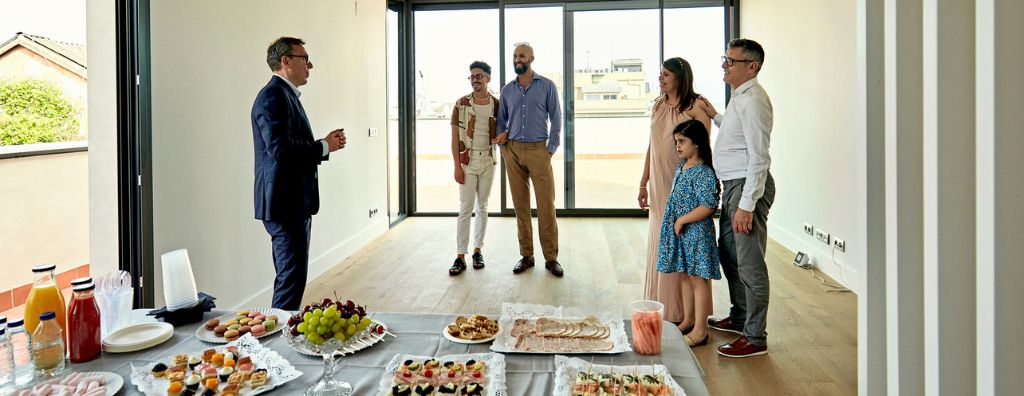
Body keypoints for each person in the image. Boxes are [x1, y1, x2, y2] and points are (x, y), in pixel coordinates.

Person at [251, 37, 346, 310]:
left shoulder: (284, 95)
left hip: (292, 202)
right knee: (290, 281)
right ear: (286, 61)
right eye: (305, 58)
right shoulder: (273, 96)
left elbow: (285, 146)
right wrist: (324, 145)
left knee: (292, 278)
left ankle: (278, 340)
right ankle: (274, 345)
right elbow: (279, 149)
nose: (310, 65)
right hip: (285, 204)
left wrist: (324, 146)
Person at [697, 38, 776, 358]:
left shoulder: (754, 100)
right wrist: (715, 115)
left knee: (750, 265)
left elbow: (759, 157)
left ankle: (755, 337)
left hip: (746, 189)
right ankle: (741, 317)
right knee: (729, 255)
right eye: (724, 59)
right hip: (733, 187)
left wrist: (746, 204)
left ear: (751, 66)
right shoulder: (740, 98)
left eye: (731, 61)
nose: (724, 65)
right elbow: (734, 135)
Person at [638, 58, 711, 332]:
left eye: (666, 75)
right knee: (662, 238)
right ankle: (664, 305)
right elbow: (652, 146)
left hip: (683, 182)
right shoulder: (658, 105)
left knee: (684, 243)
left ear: (680, 77)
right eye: (660, 74)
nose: (661, 79)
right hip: (658, 181)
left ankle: (688, 314)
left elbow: (704, 147)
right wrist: (643, 181)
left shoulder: (696, 106)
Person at [495, 43, 564, 277]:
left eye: (521, 55)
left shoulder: (547, 86)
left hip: (539, 151)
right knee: (521, 207)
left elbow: (556, 118)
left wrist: (550, 149)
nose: (517, 59)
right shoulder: (507, 90)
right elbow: (501, 121)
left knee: (546, 206)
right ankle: (526, 255)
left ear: (532, 58)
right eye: (514, 55)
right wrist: (504, 145)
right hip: (512, 151)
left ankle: (551, 258)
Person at [656, 120, 721, 347]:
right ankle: (688, 320)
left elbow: (708, 205)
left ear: (697, 143)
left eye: (682, 141)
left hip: (696, 233)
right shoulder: (682, 167)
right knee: (684, 274)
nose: (678, 146)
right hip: (683, 233)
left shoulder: (703, 172)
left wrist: (682, 219)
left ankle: (701, 330)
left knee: (697, 279)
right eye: (676, 142)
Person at [448, 61, 499, 276]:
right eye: (472, 76)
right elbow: (453, 138)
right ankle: (460, 256)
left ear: (488, 78)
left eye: (479, 76)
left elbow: (504, 128)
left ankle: (478, 250)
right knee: (465, 208)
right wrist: (457, 166)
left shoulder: (497, 104)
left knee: (483, 206)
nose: (475, 80)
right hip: (467, 162)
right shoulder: (461, 104)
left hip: (488, 160)